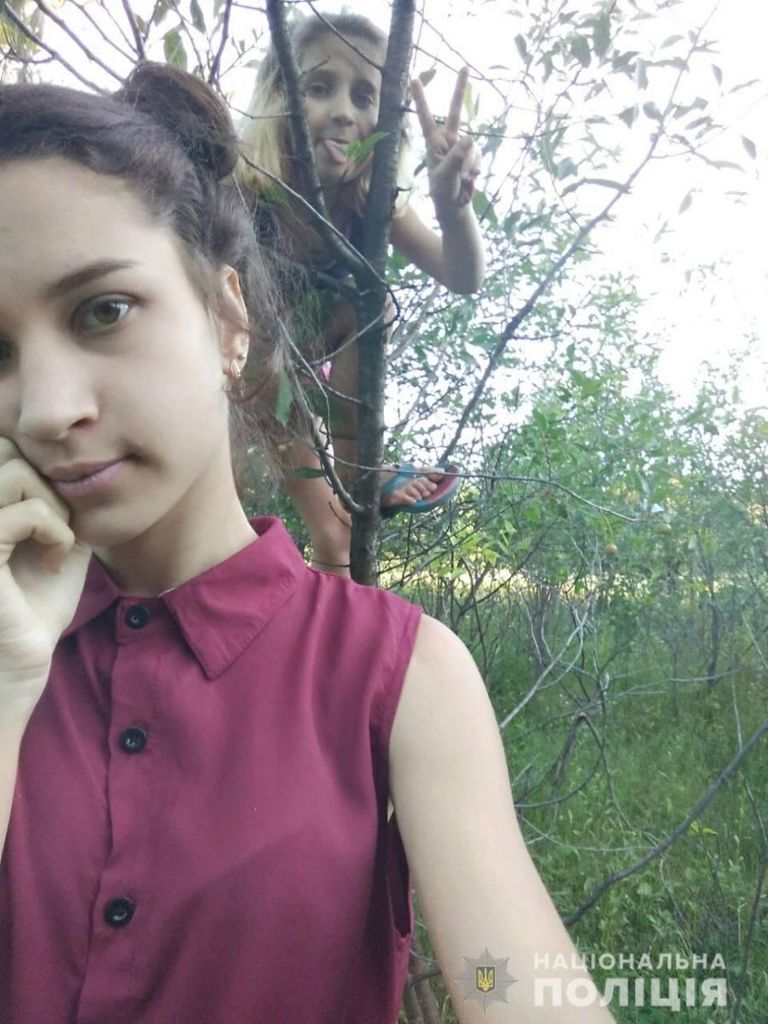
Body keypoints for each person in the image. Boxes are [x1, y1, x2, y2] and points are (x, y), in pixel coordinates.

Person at [0, 65, 614, 1024]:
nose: (45, 410)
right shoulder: (10, 647)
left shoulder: (399, 674)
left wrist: (452, 207)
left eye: (103, 311)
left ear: (227, 321)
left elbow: (516, 986)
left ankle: (360, 486)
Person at [238, 12, 486, 574]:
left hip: (295, 379)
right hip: (235, 372)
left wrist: (454, 210)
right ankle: (348, 499)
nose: (344, 112)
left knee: (372, 304)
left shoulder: (369, 204)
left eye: (364, 95)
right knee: (309, 526)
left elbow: (463, 276)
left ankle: (357, 477)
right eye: (319, 87)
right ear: (279, 97)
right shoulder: (246, 190)